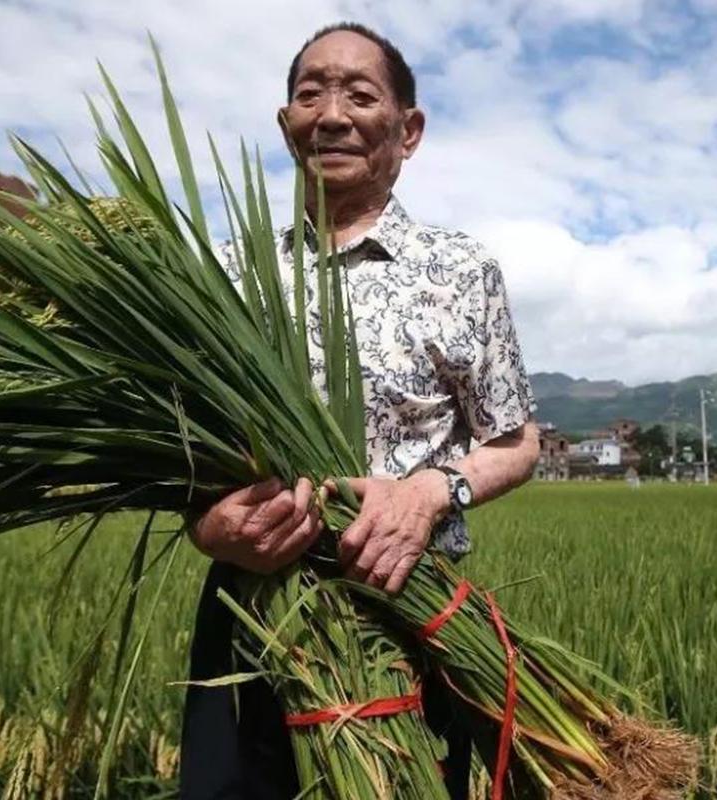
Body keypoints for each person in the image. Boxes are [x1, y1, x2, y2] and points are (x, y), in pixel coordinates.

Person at [180, 22, 540, 800]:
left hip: (406, 610)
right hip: (251, 607)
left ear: (407, 131)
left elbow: (514, 442)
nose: (332, 114)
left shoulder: (459, 270)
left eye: (360, 94)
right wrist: (207, 525)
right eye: (310, 93)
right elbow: (182, 454)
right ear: (286, 125)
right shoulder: (232, 275)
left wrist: (429, 492)